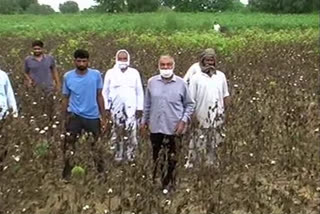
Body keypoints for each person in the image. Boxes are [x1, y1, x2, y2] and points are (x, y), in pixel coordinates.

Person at [141, 55, 194, 192]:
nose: (166, 68)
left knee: (172, 158)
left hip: (174, 128)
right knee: (156, 157)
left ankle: (170, 184)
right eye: (163, 65)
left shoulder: (181, 84)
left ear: (173, 66)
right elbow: (147, 104)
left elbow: (189, 105)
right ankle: (156, 183)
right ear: (158, 66)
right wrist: (144, 122)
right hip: (156, 127)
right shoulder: (152, 82)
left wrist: (183, 121)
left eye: (169, 65)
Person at [61, 49, 107, 179]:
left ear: (88, 61)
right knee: (69, 146)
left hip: (92, 116)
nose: (81, 63)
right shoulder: (68, 76)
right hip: (74, 116)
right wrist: (63, 117)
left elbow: (99, 95)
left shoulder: (96, 75)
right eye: (79, 61)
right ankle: (67, 175)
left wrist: (103, 117)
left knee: (96, 146)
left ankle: (100, 174)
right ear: (74, 61)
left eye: (84, 61)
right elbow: (65, 98)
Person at [184, 48, 230, 168]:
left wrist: (227, 112)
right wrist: (192, 115)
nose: (210, 63)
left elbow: (225, 96)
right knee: (198, 141)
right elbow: (190, 99)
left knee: (215, 141)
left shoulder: (221, 76)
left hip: (218, 116)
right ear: (202, 61)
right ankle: (193, 164)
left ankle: (212, 164)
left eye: (212, 60)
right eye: (207, 60)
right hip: (200, 115)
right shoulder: (196, 78)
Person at [102, 49, 144, 162]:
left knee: (131, 133)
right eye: (120, 59)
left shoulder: (134, 73)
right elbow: (104, 92)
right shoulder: (110, 73)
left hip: (131, 108)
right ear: (116, 59)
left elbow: (139, 91)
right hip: (115, 109)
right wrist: (106, 108)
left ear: (128, 59)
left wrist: (140, 108)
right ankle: (116, 156)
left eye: (124, 59)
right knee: (116, 132)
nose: (122, 61)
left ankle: (131, 156)